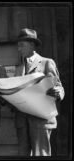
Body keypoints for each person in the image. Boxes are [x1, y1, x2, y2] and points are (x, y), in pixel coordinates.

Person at [14, 28, 65, 156]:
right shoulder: (18, 68)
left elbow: (58, 86)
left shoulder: (47, 63)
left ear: (32, 45)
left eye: (22, 45)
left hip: (40, 121)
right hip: (22, 122)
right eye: (18, 46)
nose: (19, 49)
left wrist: (58, 92)